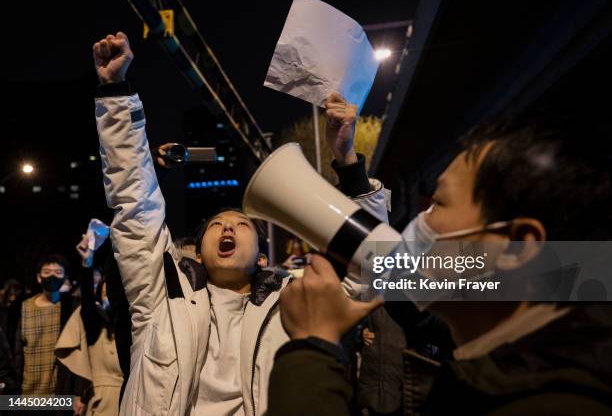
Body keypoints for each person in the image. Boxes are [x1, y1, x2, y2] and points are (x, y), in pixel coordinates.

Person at [92, 31, 389, 415]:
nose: (228, 228)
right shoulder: (159, 299)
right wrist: (116, 93)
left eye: (241, 225)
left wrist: (348, 161)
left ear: (263, 258)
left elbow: (370, 268)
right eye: (216, 225)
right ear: (197, 253)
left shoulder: (294, 304)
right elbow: (135, 203)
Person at [268, 118, 612, 415]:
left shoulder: (555, 406)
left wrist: (313, 346)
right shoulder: (523, 354)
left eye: (438, 204)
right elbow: (397, 278)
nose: (420, 220)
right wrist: (349, 168)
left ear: (516, 247)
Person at [54, 236, 123, 416]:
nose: (109, 294)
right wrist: (87, 262)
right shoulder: (94, 323)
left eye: (114, 291)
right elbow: (87, 302)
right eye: (105, 289)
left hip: (130, 397)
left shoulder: (127, 323)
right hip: (102, 402)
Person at [15, 254, 87, 409]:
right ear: (39, 277)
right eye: (47, 272)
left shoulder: (71, 309)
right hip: (25, 397)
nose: (52, 276)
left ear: (65, 277)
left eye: (58, 272)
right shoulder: (22, 308)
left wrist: (78, 393)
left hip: (59, 398)